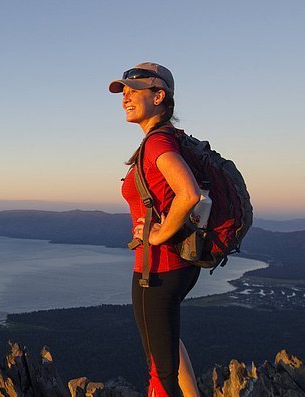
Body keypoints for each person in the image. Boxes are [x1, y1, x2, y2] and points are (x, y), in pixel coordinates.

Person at [109, 62, 201, 397]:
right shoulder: (166, 139)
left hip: (157, 269)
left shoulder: (158, 144)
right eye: (124, 92)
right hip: (175, 265)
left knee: (159, 370)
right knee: (168, 345)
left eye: (134, 91)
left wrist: (158, 235)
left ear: (159, 96)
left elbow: (189, 193)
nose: (126, 98)